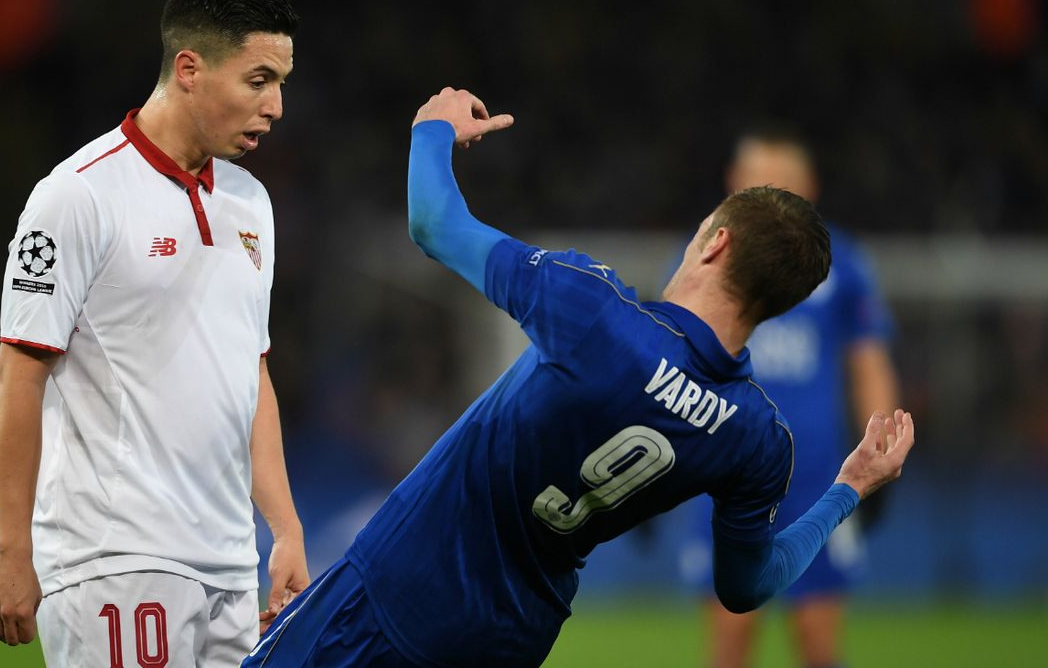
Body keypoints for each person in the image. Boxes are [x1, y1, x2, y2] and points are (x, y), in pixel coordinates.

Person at [242, 88, 915, 668]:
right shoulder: (756, 436)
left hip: (396, 596)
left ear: (715, 242)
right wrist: (848, 489)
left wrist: (432, 126)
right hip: (509, 641)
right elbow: (749, 584)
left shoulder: (595, 312)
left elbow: (433, 222)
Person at [0, 0, 309, 668]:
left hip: (226, 565)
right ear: (189, 68)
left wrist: (283, 529)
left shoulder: (251, 202)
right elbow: (20, 373)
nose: (276, 105)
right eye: (258, 80)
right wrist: (12, 548)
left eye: (281, 82)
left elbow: (249, 372)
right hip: (116, 560)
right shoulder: (78, 196)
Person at [696, 127, 900, 668]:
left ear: (809, 187)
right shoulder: (707, 252)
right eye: (759, 180)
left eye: (783, 181)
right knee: (729, 647)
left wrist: (880, 444)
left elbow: (868, 363)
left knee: (818, 647)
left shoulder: (843, 265)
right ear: (734, 184)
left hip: (815, 478)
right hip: (724, 474)